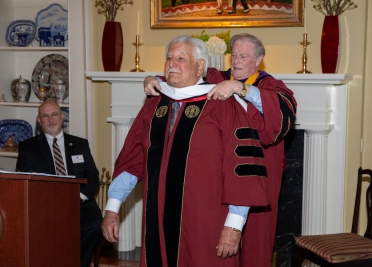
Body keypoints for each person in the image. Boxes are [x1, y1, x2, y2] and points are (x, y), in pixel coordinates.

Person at [101, 35, 269, 267]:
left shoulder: (223, 104)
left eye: (181, 58)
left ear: (201, 66)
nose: (172, 63)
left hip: (206, 222)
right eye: (169, 57)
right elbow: (133, 159)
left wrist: (234, 225)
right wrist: (112, 207)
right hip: (157, 221)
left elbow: (242, 169)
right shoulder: (155, 104)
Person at [144, 33, 297, 267]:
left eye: (243, 56)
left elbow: (281, 116)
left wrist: (240, 88)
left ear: (258, 60)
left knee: (255, 245)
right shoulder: (218, 78)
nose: (236, 61)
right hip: (224, 177)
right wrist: (152, 79)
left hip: (258, 172)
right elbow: (185, 76)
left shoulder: (270, 86)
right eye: (233, 55)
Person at [16, 101, 103, 267]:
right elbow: (23, 180)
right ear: (39, 121)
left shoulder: (80, 144)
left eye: (54, 114)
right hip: (45, 205)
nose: (51, 119)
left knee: (95, 224)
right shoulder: (28, 147)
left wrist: (79, 197)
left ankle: (77, 263)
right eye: (45, 116)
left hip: (80, 202)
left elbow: (93, 175)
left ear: (62, 117)